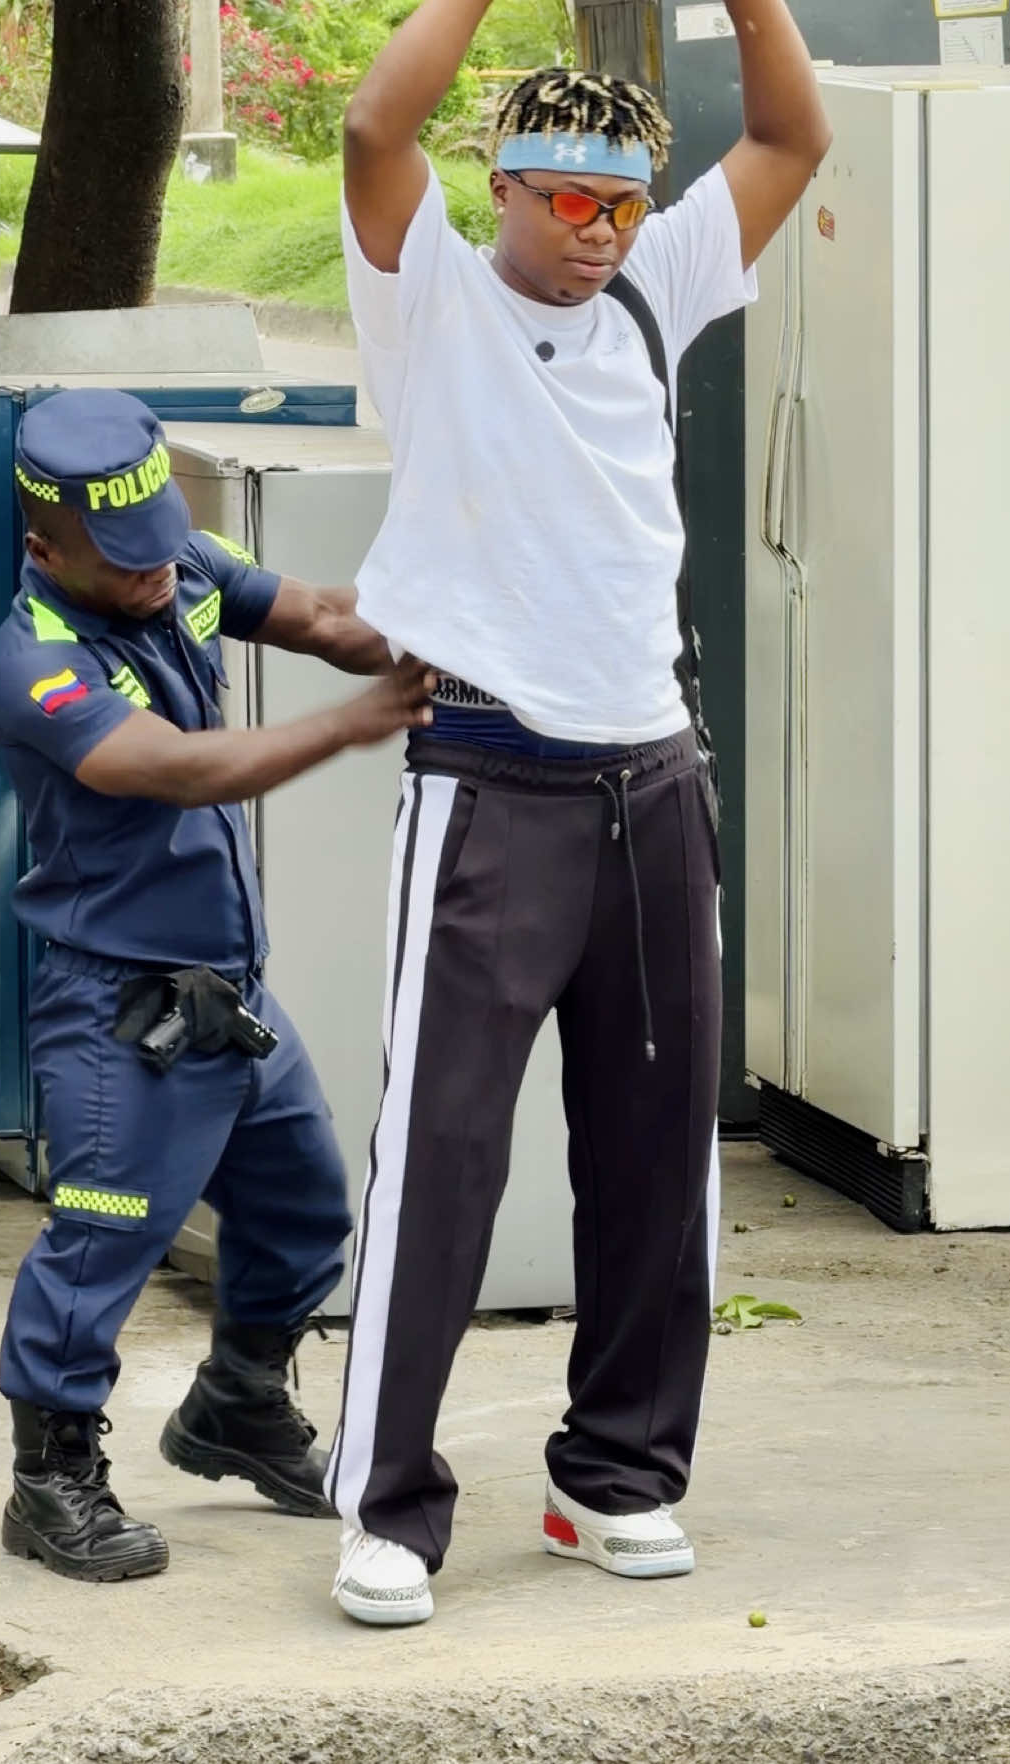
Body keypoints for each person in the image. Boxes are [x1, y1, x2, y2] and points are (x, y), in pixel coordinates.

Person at [325, 1, 832, 1624]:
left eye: (622, 203)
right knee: (443, 1154)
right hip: (487, 777)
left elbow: (788, 138)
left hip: (652, 779)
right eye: (566, 200)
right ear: (502, 189)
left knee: (655, 1156)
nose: (599, 231)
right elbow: (371, 129)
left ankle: (613, 1475)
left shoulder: (650, 295)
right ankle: (387, 1506)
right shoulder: (431, 299)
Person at [0, 387, 434, 1582]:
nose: (155, 573)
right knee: (101, 1244)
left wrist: (445, 631)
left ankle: (236, 1406)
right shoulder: (36, 663)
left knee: (305, 1210)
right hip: (118, 1009)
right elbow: (181, 768)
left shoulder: (174, 559)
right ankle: (50, 1481)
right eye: (124, 560)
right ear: (49, 550)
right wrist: (353, 724)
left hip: (228, 994)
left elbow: (326, 616)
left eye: (161, 544)